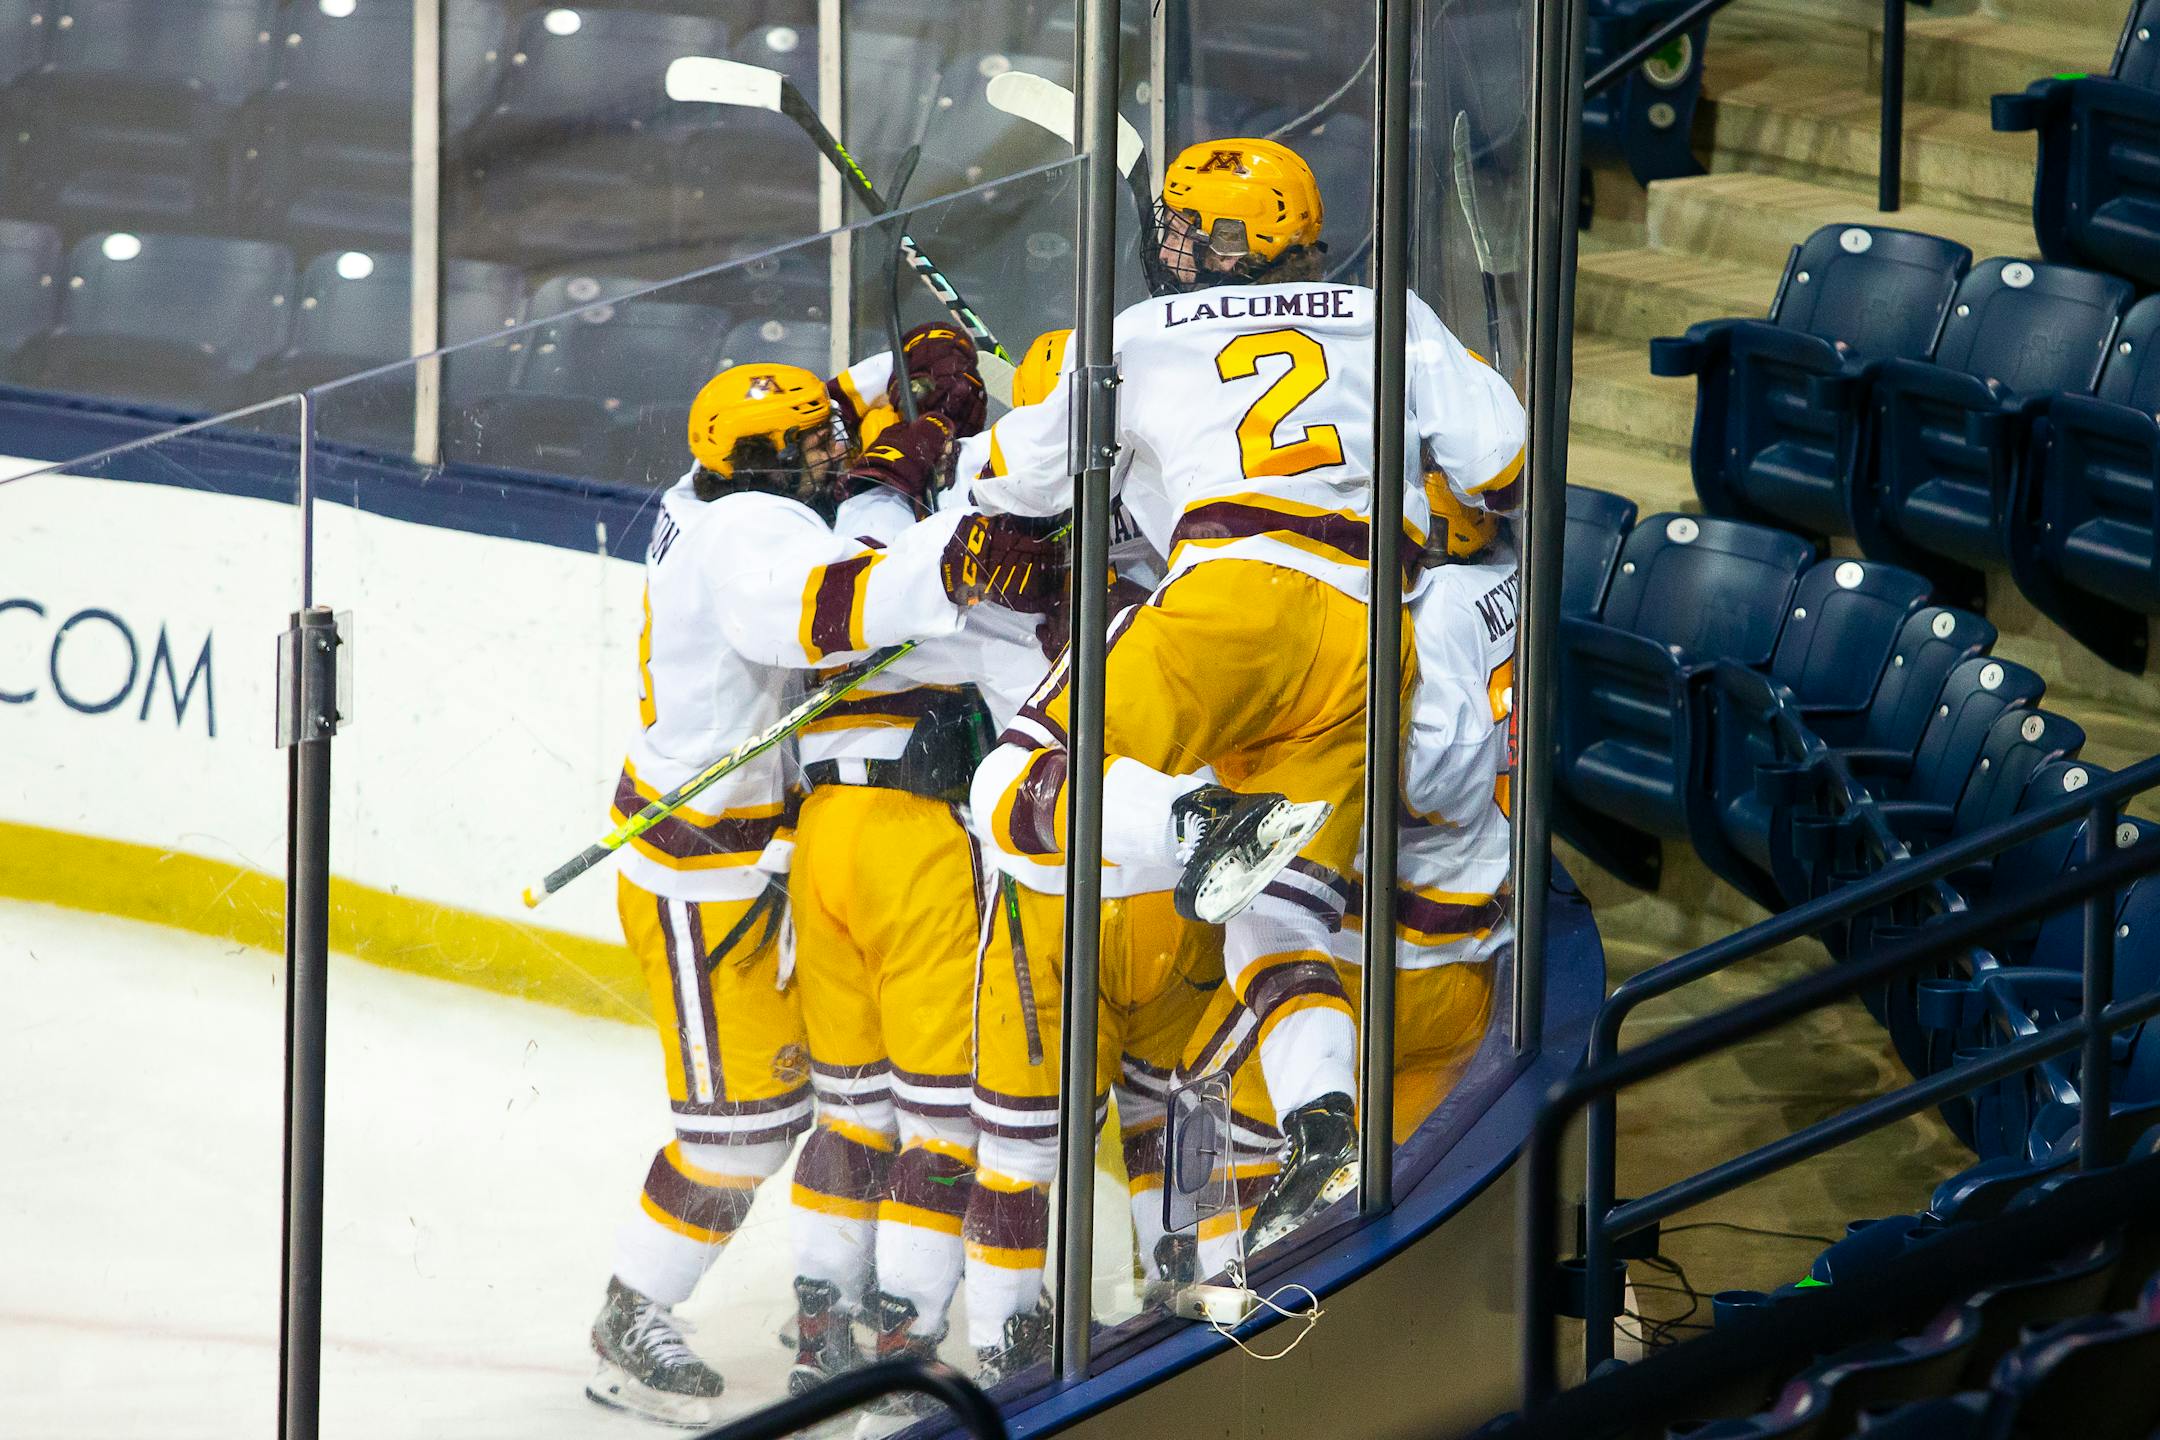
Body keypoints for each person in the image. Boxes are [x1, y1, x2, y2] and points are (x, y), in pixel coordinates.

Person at [969, 136, 1526, 1250]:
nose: (1167, 246)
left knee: (1014, 788)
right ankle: (1325, 1125)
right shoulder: (1394, 311)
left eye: (1185, 229)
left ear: (1230, 248)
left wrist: (1009, 494)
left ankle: (1193, 822)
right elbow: (1502, 463)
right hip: (1371, 636)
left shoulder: (1128, 334)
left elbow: (1013, 481)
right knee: (1275, 910)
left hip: (1232, 600)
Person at [944, 330, 1227, 1382]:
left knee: (1172, 1111)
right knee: (1040, 1140)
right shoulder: (990, 528)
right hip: (1078, 881)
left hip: (1143, 878)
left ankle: (1183, 1286)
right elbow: (886, 585)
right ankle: (1008, 1343)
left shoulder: (1169, 511)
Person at [1175, 482, 1517, 1279]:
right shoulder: (1509, 580)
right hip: (1470, 971)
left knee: (1208, 1092)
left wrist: (1308, 745)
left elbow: (1431, 787)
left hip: (1377, 968)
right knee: (1401, 1223)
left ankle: (1220, 1327)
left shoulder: (1425, 613)